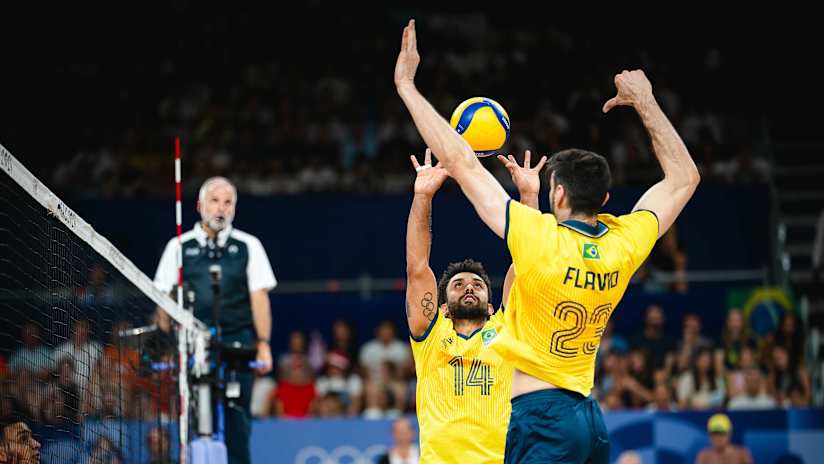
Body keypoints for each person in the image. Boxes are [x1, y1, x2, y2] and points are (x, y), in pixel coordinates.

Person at [394, 20, 700, 463]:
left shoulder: (540, 242)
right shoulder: (624, 242)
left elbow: (462, 162)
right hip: (586, 412)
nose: (469, 289)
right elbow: (684, 178)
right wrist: (646, 102)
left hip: (542, 418)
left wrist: (406, 85)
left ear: (557, 194)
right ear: (605, 200)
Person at [405, 147, 541, 461]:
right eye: (458, 285)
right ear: (443, 307)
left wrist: (529, 197)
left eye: (478, 285)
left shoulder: (505, 328)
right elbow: (416, 267)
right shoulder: (430, 335)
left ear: (491, 306)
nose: (469, 287)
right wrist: (423, 196)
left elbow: (529, 261)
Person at [153, 176, 277, 464]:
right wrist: (164, 344)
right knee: (195, 421)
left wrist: (264, 344)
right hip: (194, 346)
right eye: (214, 200)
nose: (221, 208)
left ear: (234, 208)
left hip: (239, 342)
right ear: (199, 206)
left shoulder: (249, 245)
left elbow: (260, 298)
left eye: (228, 202)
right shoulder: (179, 246)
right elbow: (163, 303)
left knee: (238, 418)